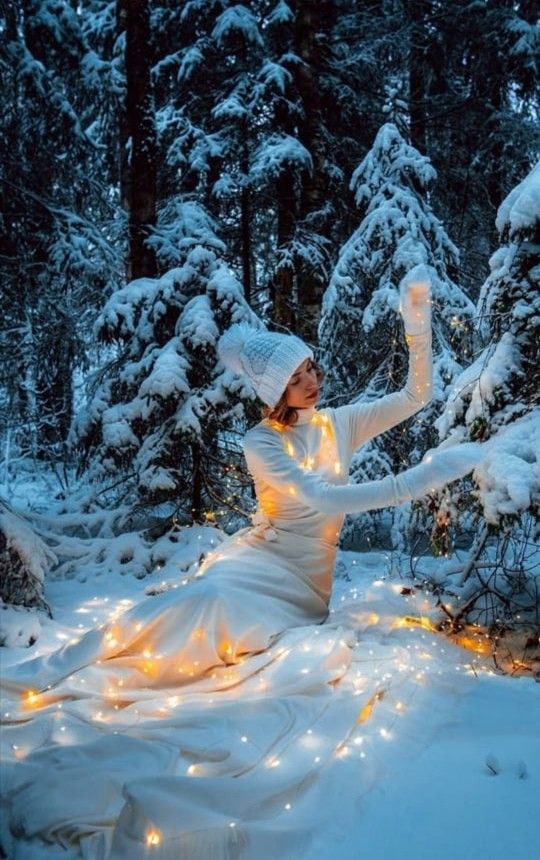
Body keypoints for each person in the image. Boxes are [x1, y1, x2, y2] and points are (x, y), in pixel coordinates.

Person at [0, 272, 485, 859]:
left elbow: (416, 396)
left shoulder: (341, 424)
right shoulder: (262, 442)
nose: (310, 381)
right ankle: (68, 670)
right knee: (197, 605)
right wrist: (421, 478)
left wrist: (417, 324)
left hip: (303, 586)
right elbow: (321, 500)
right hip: (257, 562)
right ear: (271, 392)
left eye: (309, 368)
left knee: (209, 618)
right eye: (293, 378)